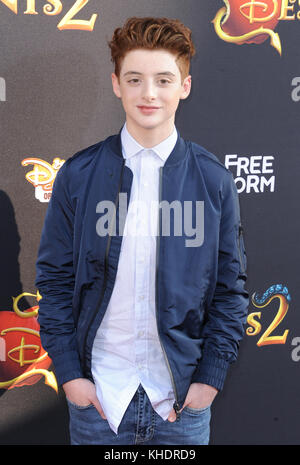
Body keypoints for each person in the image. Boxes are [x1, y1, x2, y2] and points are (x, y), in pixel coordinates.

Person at [35, 16, 249, 445]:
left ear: (184, 87)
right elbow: (55, 281)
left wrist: (210, 378)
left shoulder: (213, 181)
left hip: (182, 407)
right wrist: (71, 375)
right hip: (100, 404)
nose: (148, 93)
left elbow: (231, 289)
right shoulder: (78, 175)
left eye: (164, 80)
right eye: (135, 79)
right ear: (117, 84)